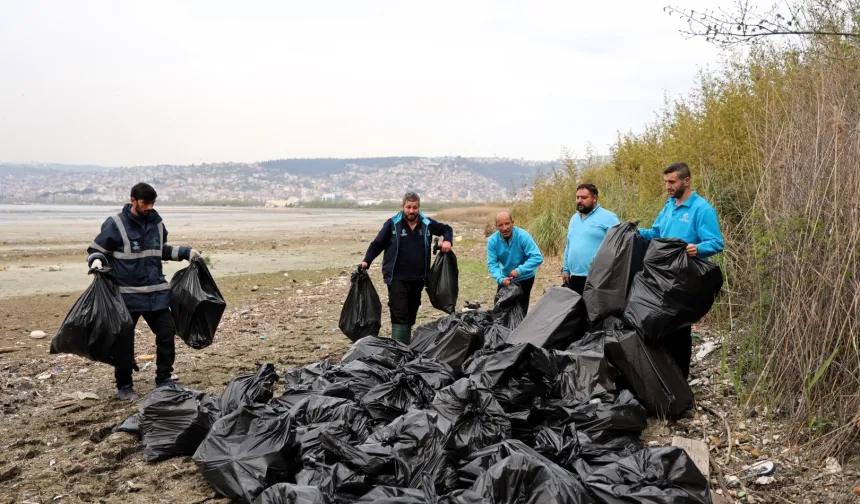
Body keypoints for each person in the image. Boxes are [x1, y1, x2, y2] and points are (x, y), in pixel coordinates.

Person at [86, 183, 201, 400]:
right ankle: (124, 385)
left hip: (156, 295)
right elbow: (96, 250)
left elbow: (161, 250)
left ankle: (164, 379)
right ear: (133, 201)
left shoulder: (158, 224)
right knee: (123, 342)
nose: (149, 207)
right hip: (126, 296)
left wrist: (187, 252)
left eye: (152, 203)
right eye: (145, 203)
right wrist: (96, 262)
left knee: (167, 334)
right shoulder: (116, 224)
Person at [639, 162, 724, 379]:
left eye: (671, 182)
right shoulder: (669, 206)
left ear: (686, 181)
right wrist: (634, 231)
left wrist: (698, 248)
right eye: (666, 181)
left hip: (684, 281)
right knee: (658, 325)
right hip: (661, 277)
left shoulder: (701, 209)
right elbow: (656, 232)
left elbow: (716, 242)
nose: (667, 186)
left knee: (678, 330)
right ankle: (662, 379)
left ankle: (680, 383)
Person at [361, 192, 454, 344]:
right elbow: (377, 244)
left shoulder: (426, 223)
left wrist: (447, 241)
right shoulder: (392, 224)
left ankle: (404, 345)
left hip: (418, 279)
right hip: (396, 277)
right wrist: (366, 261)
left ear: (419, 207)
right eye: (408, 207)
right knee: (399, 314)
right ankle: (399, 349)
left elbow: (446, 229)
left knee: (411, 314)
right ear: (402, 207)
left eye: (415, 207)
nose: (412, 211)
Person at [562, 183, 620, 295]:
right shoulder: (574, 219)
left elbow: (619, 246)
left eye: (584, 197)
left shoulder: (609, 217)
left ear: (594, 198)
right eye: (577, 197)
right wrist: (565, 270)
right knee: (576, 311)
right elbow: (569, 245)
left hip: (598, 277)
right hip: (574, 277)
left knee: (594, 311)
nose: (579, 200)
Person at [486, 211, 543, 314]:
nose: (504, 228)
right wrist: (500, 279)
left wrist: (520, 270)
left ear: (513, 222)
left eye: (507, 223)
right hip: (505, 279)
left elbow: (537, 257)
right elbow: (492, 264)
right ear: (496, 226)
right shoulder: (493, 241)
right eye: (501, 225)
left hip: (525, 277)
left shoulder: (523, 236)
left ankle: (519, 329)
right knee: (500, 310)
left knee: (520, 311)